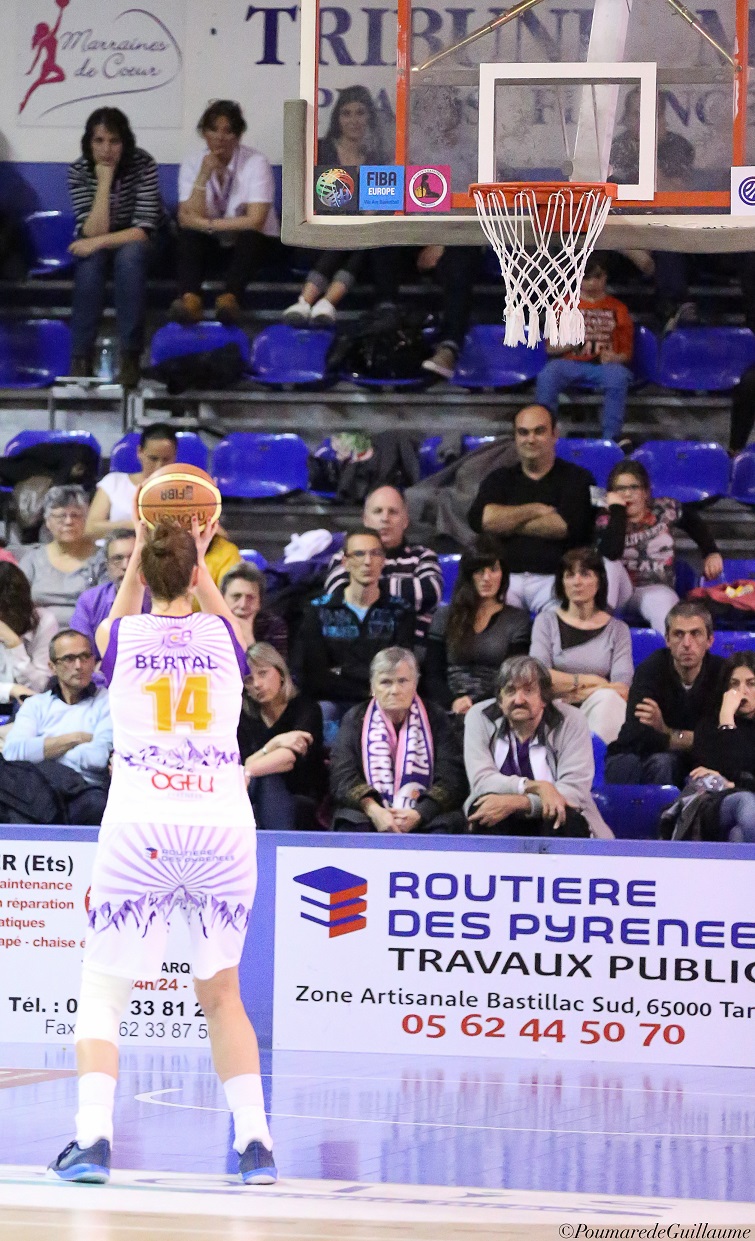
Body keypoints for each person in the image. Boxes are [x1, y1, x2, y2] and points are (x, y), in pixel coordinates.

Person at [48, 518, 276, 1186]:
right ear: (199, 569)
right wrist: (196, 554)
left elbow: (115, 619)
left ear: (143, 572)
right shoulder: (225, 636)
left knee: (103, 989)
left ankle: (92, 1138)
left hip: (143, 822)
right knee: (222, 993)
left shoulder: (120, 635)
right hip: (220, 824)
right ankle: (255, 1142)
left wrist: (142, 564)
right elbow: (208, 603)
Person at [467, 404, 604, 614]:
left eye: (539, 431)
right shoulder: (498, 479)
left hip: (556, 580)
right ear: (515, 437)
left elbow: (563, 527)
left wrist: (506, 522)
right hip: (505, 579)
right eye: (523, 432)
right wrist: (535, 509)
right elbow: (482, 521)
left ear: (554, 434)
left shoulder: (578, 479)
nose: (530, 439)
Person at [463, 655, 612, 838]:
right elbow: (482, 780)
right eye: (510, 691)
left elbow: (573, 791)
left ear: (544, 698)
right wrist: (537, 787)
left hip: (553, 817)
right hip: (502, 816)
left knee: (564, 815)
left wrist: (520, 802)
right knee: (483, 810)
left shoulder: (571, 720)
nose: (518, 700)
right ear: (500, 700)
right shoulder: (479, 716)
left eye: (528, 690)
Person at [67, 107, 164, 387]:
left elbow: (143, 231)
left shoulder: (143, 164)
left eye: (114, 141)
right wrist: (104, 181)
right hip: (106, 240)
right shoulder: (78, 170)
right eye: (99, 141)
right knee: (90, 262)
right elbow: (94, 229)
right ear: (89, 143)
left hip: (144, 243)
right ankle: (80, 358)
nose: (106, 149)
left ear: (125, 142)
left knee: (129, 257)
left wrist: (94, 242)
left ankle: (131, 356)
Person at [283, 86, 390, 326]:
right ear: (337, 118)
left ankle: (311, 302)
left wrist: (364, 215)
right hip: (319, 234)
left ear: (370, 117)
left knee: (364, 238)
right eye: (347, 113)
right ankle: (322, 303)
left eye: (360, 112)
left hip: (361, 238)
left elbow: (379, 205)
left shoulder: (378, 156)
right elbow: (316, 200)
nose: (354, 120)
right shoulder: (321, 149)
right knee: (353, 237)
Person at [330, 647, 467, 832]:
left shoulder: (436, 717)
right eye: (386, 682)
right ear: (372, 687)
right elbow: (342, 777)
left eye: (402, 681)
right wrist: (375, 810)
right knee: (351, 822)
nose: (395, 690)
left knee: (447, 823)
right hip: (372, 811)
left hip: (423, 811)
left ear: (415, 684)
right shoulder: (354, 719)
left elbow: (452, 777)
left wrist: (420, 813)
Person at [172, 100, 280, 327]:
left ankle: (230, 300)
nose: (220, 137)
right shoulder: (193, 162)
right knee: (189, 237)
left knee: (251, 235)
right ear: (204, 133)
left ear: (238, 136)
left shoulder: (256, 162)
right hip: (213, 243)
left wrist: (207, 225)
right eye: (214, 130)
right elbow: (186, 217)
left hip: (254, 245)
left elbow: (256, 220)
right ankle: (190, 301)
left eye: (228, 131)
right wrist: (203, 175)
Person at [604, 600, 724, 787]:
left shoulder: (722, 674)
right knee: (636, 764)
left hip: (686, 761)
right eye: (678, 634)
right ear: (667, 639)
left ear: (710, 640)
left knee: (669, 763)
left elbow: (721, 741)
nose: (687, 644)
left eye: (695, 634)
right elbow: (637, 735)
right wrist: (693, 740)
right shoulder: (650, 670)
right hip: (640, 755)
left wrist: (665, 730)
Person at [596, 459, 722, 634]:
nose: (627, 494)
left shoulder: (664, 509)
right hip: (619, 591)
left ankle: (672, 657)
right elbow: (611, 553)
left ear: (646, 492)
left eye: (634, 487)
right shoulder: (604, 519)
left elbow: (694, 523)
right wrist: (617, 512)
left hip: (655, 587)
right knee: (608, 564)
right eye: (620, 489)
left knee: (664, 611)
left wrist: (711, 552)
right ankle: (596, 632)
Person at [295, 527, 415, 706]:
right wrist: (366, 689)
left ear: (383, 560)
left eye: (375, 553)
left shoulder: (400, 611)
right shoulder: (318, 610)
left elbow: (399, 671)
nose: (368, 561)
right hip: (335, 702)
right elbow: (315, 677)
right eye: (359, 554)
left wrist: (343, 670)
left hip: (385, 703)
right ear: (345, 562)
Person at [3, 629, 112, 824]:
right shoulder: (35, 705)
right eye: (69, 659)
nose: (79, 666)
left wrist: (40, 751)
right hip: (35, 790)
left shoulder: (108, 702)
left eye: (85, 657)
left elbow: (97, 758)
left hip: (82, 791)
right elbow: (12, 752)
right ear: (52, 666)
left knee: (97, 805)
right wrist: (75, 738)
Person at [529, 547, 633, 745]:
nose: (577, 582)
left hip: (599, 707)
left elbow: (622, 689)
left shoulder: (618, 630)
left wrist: (578, 690)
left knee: (609, 700)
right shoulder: (546, 621)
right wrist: (592, 680)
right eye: (569, 575)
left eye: (585, 574)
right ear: (562, 582)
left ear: (598, 581)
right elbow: (539, 676)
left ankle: (600, 768)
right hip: (555, 707)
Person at [423, 535, 531, 716]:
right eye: (479, 571)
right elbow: (432, 673)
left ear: (503, 574)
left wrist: (475, 705)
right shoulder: (444, 616)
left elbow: (512, 676)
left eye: (493, 569)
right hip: (448, 706)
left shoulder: (517, 620)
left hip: (497, 706)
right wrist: (453, 702)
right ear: (468, 575)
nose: (487, 578)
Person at [535, 253, 633, 444]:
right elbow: (549, 349)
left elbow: (626, 354)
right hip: (569, 363)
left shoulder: (619, 309)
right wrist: (570, 343)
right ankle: (544, 433)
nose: (592, 283)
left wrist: (614, 358)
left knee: (619, 376)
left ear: (606, 277)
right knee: (548, 375)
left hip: (604, 367)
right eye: (586, 277)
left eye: (598, 277)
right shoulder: (562, 306)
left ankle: (610, 439)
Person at [323, 485, 442, 639]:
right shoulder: (345, 556)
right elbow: (339, 595)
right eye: (378, 511)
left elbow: (430, 594)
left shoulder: (423, 556)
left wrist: (366, 588)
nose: (385, 518)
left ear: (405, 521)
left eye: (393, 512)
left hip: (409, 652)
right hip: (357, 647)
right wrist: (404, 592)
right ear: (365, 520)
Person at [238, 642, 325, 830]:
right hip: (251, 791)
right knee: (264, 780)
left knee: (268, 778)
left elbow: (287, 759)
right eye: (248, 679)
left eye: (263, 673)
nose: (257, 684)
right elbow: (239, 764)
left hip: (302, 792)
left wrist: (248, 771)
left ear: (281, 673)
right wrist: (275, 743)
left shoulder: (305, 709)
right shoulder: (244, 717)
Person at [690, 652, 755, 842]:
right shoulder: (709, 725)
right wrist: (726, 718)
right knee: (746, 801)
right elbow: (726, 769)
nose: (742, 691)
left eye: (751, 684)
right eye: (734, 684)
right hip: (719, 804)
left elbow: (731, 775)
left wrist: (735, 783)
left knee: (738, 835)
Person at [19, 486, 105, 626]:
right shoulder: (32, 560)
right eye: (60, 516)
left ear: (85, 520)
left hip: (87, 634)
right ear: (47, 522)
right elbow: (17, 603)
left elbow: (105, 606)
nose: (68, 521)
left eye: (76, 515)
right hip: (38, 636)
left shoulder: (101, 559)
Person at [85, 424, 178, 539]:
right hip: (116, 552)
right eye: (153, 459)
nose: (159, 466)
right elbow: (91, 529)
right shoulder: (114, 482)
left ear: (174, 456)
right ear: (140, 452)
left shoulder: (183, 490)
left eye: (166, 459)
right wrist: (133, 525)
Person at [70, 529, 149, 647]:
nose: (126, 566)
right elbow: (80, 651)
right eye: (117, 558)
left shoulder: (163, 599)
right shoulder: (90, 601)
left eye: (134, 558)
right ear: (107, 565)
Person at [0, 561, 58, 705]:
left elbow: (40, 686)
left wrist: (15, 645)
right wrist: (11, 690)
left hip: (27, 705)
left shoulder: (43, 620)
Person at [220, 564, 287, 657]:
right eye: (236, 596)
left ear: (260, 601)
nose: (243, 605)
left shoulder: (273, 626)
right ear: (222, 598)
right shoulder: (206, 626)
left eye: (250, 598)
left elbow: (275, 670)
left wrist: (249, 639)